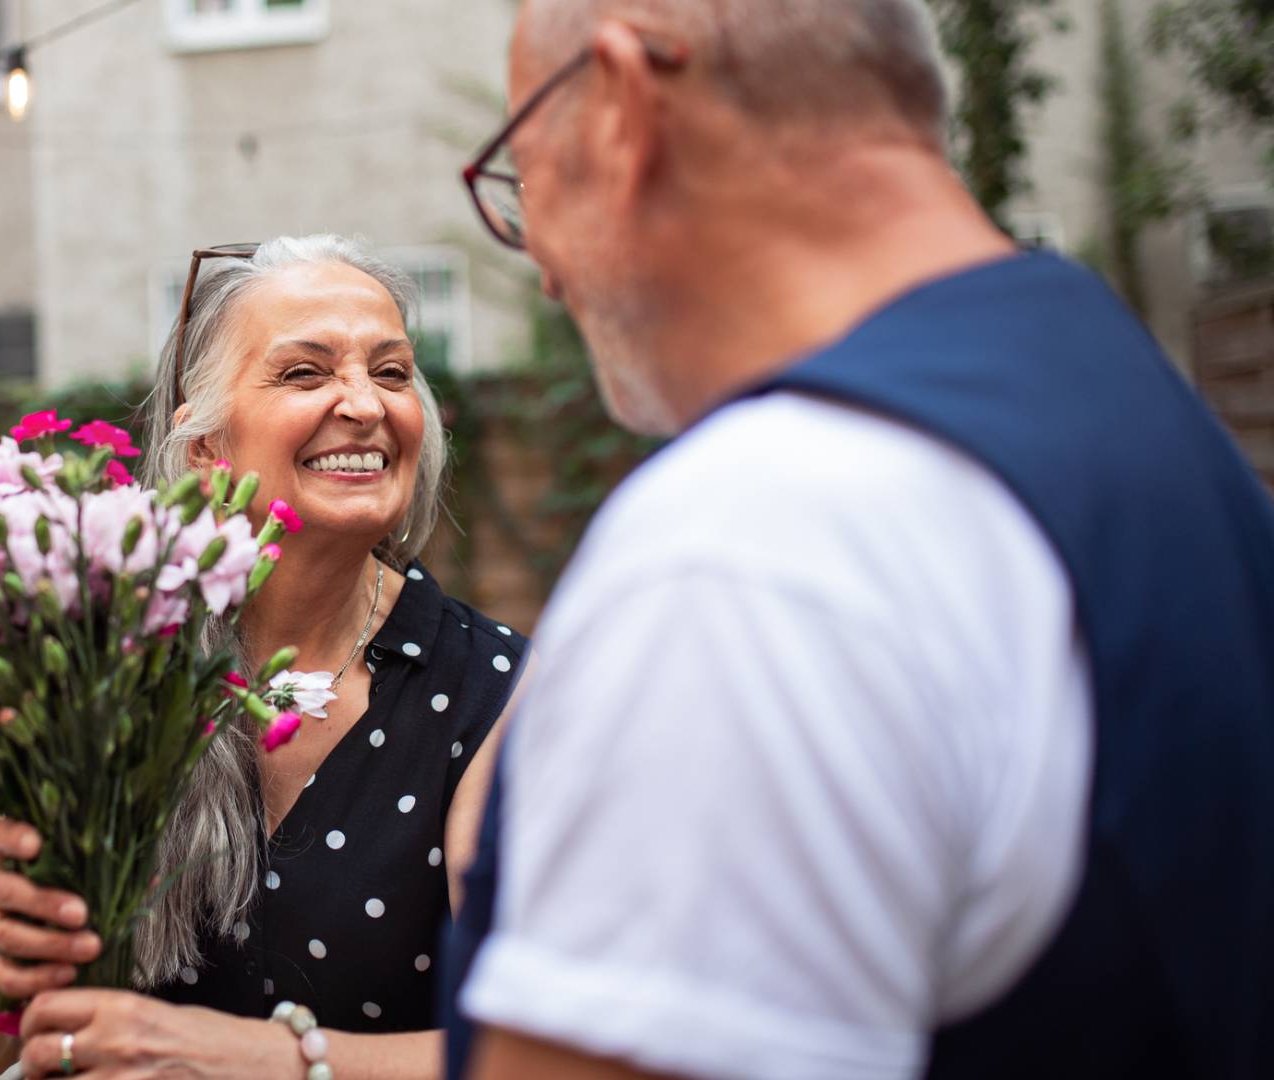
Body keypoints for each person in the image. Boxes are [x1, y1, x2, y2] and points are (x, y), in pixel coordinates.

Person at [440, 2, 1274, 1079]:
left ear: (620, 109)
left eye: (524, 176)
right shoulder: (1138, 405)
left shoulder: (757, 544)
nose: (544, 268)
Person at [0, 234, 529, 1080]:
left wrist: (272, 1060)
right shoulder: (112, 667)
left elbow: (532, 1057)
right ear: (205, 448)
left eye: (391, 372)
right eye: (304, 372)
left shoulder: (492, 695)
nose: (364, 404)